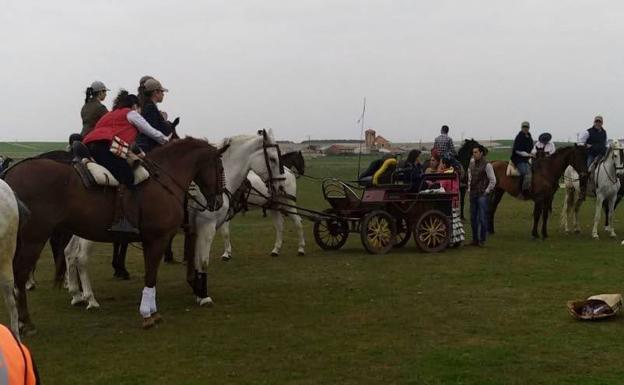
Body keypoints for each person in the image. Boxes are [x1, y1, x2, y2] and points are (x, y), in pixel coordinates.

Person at [82, 90, 170, 233]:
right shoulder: (131, 113)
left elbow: (128, 144)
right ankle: (122, 220)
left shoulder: (109, 114)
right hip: (105, 147)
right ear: (135, 105)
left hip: (90, 146)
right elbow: (151, 131)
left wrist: (141, 155)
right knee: (127, 176)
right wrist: (166, 141)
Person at [468, 145, 496, 247]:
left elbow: (493, 180)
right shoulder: (471, 163)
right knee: (472, 218)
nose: (474, 154)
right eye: (473, 152)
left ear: (481, 153)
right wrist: (469, 189)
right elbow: (470, 177)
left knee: (482, 218)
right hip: (473, 193)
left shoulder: (487, 165)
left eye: (476, 152)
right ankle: (475, 240)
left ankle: (482, 240)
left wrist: (487, 191)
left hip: (482, 195)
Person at [136, 78, 173, 153]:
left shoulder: (147, 106)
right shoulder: (150, 107)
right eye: (162, 91)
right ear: (155, 92)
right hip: (150, 150)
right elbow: (151, 130)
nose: (163, 94)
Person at [511, 121, 534, 195]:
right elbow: (517, 151)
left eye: (526, 127)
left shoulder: (529, 137)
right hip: (518, 159)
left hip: (526, 159)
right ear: (521, 128)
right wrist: (528, 155)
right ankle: (523, 191)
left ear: (529, 128)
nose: (525, 129)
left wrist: (532, 154)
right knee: (527, 173)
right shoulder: (519, 137)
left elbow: (531, 148)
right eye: (524, 127)